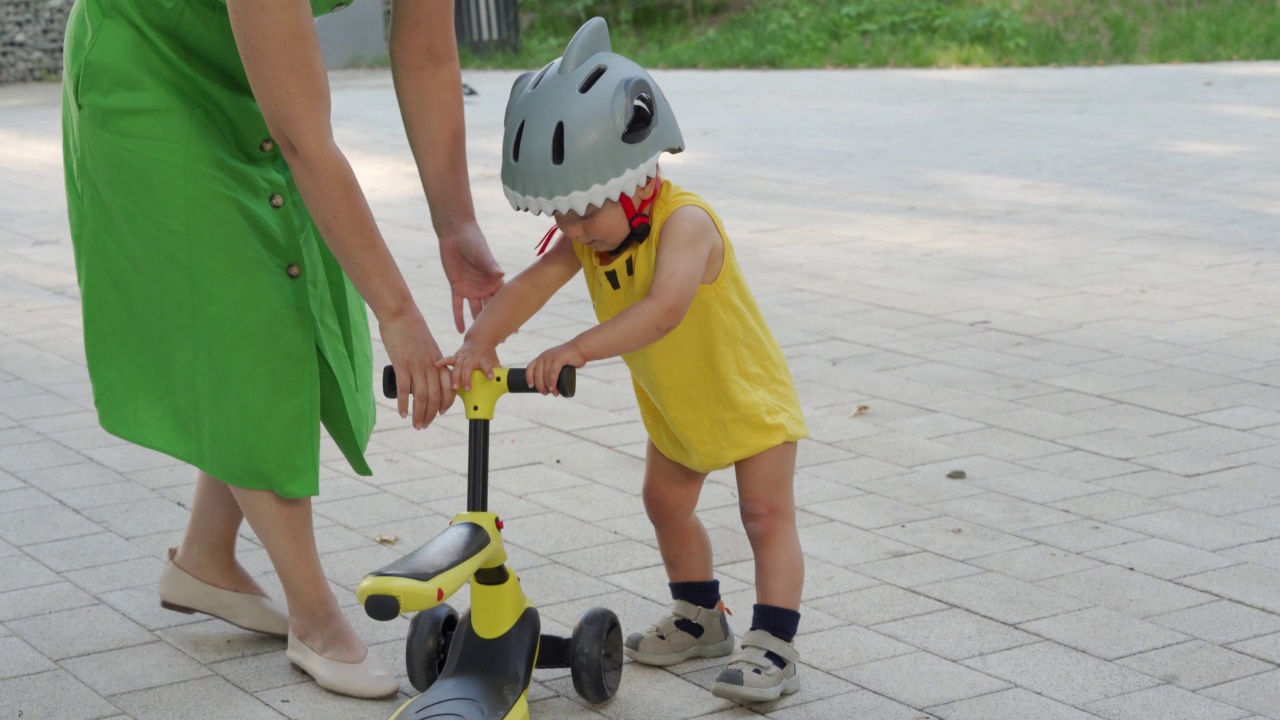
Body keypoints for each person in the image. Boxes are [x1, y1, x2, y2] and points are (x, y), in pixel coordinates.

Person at [61, 0, 503, 700]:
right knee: (241, 310)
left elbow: (426, 53)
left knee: (283, 310)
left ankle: (206, 558)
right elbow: (303, 138)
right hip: (145, 64)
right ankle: (315, 616)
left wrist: (457, 224)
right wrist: (397, 313)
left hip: (245, 66)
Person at [441, 17, 808, 703]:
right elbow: (526, 287)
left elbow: (664, 309)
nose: (574, 230)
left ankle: (775, 645)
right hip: (679, 408)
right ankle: (701, 616)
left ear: (634, 172)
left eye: (585, 212)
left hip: (746, 396)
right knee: (664, 503)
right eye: (566, 215)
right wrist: (479, 342)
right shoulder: (589, 235)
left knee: (764, 516)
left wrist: (577, 348)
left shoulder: (685, 222)